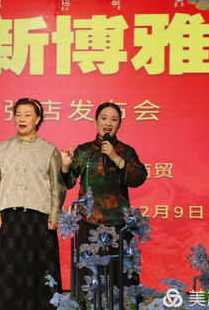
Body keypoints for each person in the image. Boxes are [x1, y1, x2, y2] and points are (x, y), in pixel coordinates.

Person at [0, 98, 65, 310]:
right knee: (11, 265)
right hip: (10, 214)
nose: (22, 119)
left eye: (28, 115)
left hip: (38, 215)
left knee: (34, 265)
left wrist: (54, 214)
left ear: (38, 119)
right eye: (18, 114)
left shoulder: (49, 150)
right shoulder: (3, 148)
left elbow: (57, 186)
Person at [59, 102, 147, 292]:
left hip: (119, 223)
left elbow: (139, 178)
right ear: (95, 121)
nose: (108, 123)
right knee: (89, 275)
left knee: (121, 274)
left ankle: (123, 308)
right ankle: (86, 308)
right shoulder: (84, 151)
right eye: (104, 118)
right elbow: (68, 182)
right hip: (89, 221)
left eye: (114, 119)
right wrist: (65, 166)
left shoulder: (126, 151)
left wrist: (116, 158)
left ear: (119, 124)